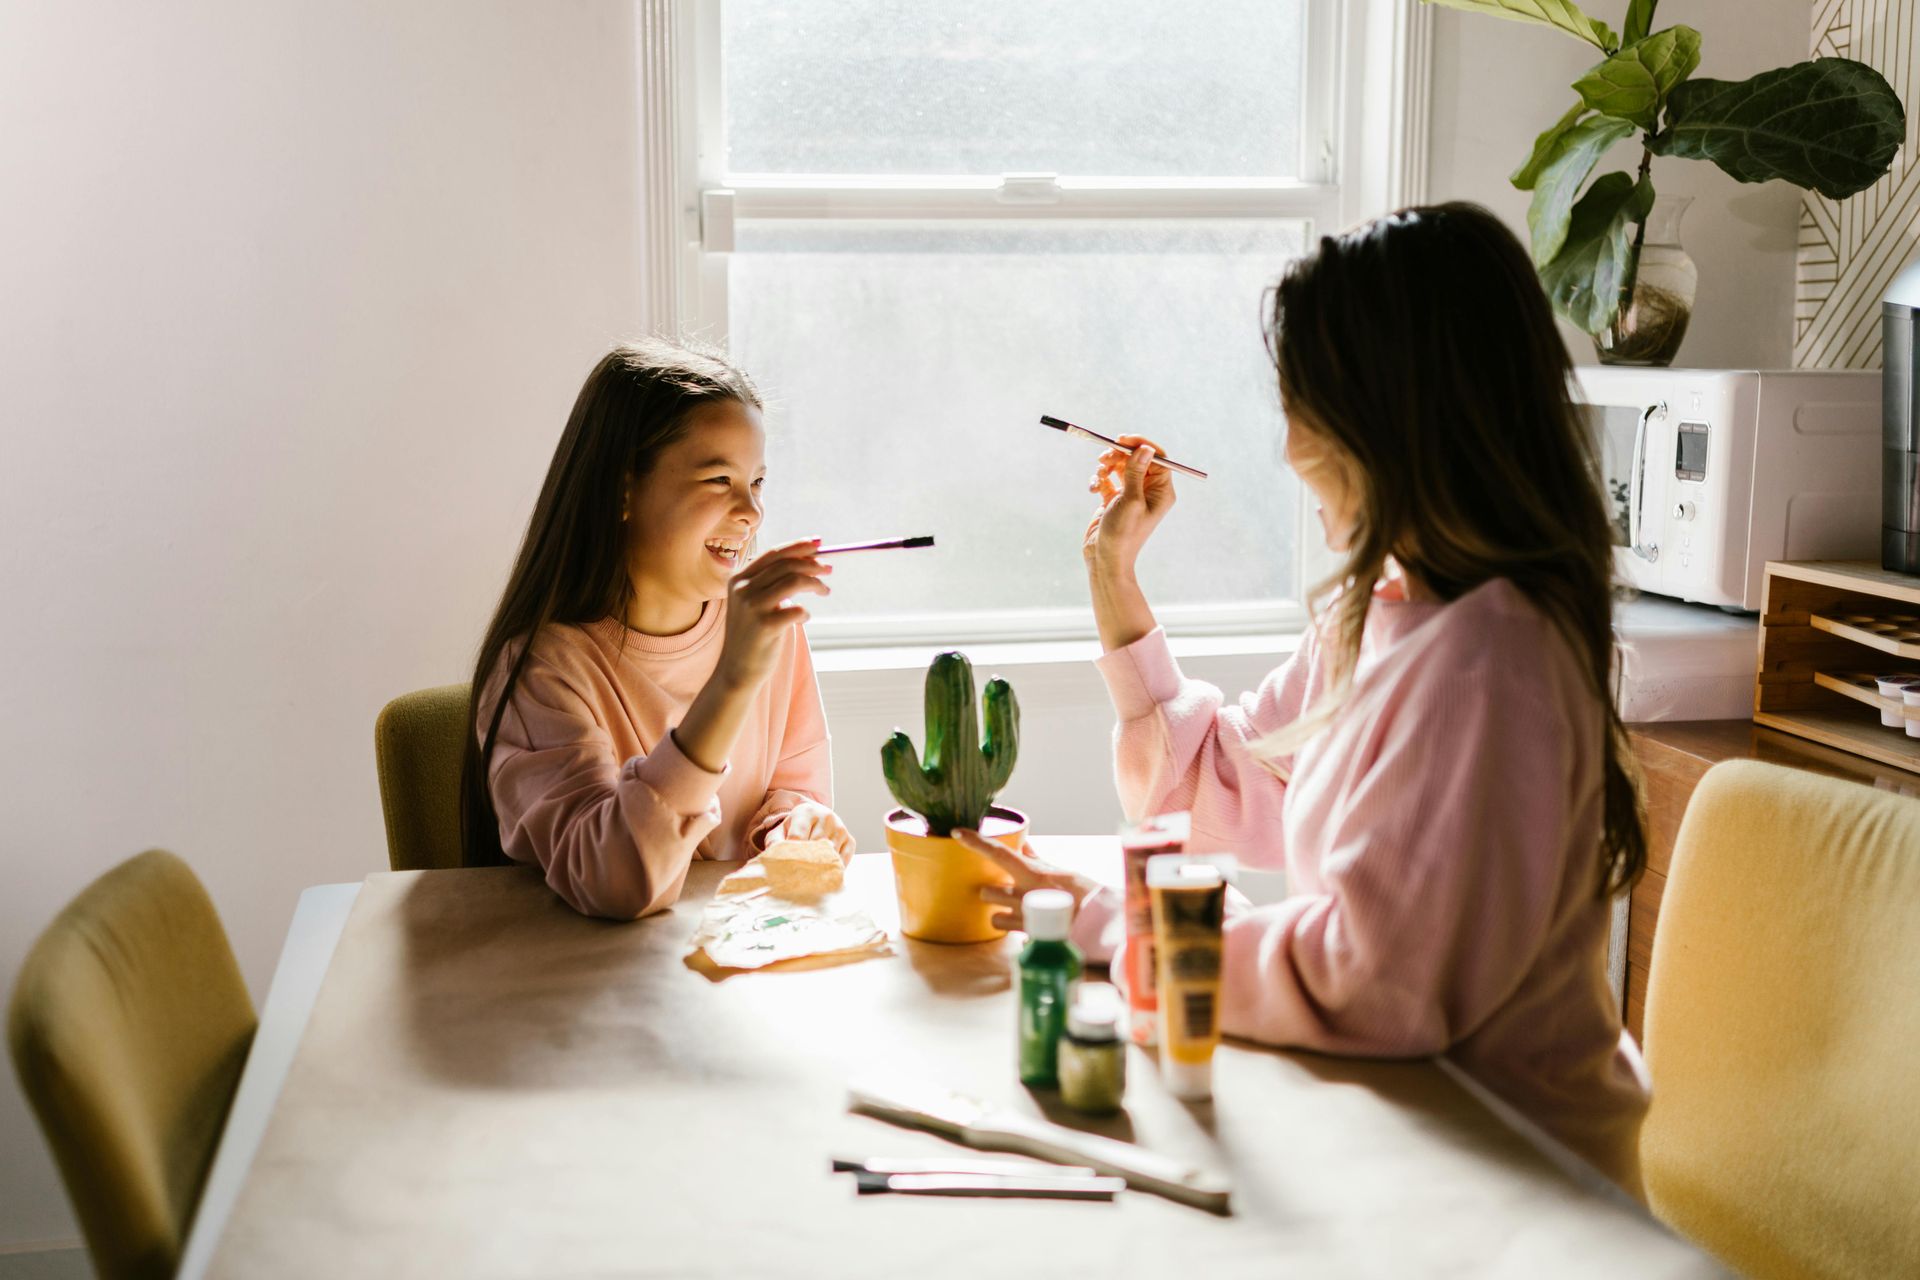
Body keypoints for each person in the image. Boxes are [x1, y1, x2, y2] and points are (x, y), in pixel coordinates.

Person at [958, 203, 1652, 1197]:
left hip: (1513, 1175)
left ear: (1386, 416)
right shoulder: (1388, 607)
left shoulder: (1490, 660)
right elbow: (1222, 776)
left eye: (1302, 405)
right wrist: (1113, 569)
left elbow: (1374, 981)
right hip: (1411, 1124)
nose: (1286, 446)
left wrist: (1123, 926)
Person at [460, 339, 854, 919]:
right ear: (623, 489)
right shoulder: (544, 672)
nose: (751, 512)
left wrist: (793, 825)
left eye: (757, 482)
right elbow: (615, 883)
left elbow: (792, 789)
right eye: (718, 479)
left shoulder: (770, 630)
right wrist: (733, 682)